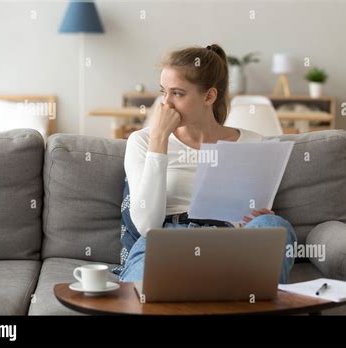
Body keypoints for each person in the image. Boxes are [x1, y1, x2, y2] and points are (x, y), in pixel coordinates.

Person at [119, 44, 297, 284]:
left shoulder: (253, 142)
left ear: (209, 96)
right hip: (166, 240)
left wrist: (257, 218)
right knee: (136, 298)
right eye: (164, 92)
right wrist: (159, 140)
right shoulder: (142, 141)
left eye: (177, 93)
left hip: (229, 241)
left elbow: (252, 216)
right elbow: (146, 225)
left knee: (273, 225)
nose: (166, 104)